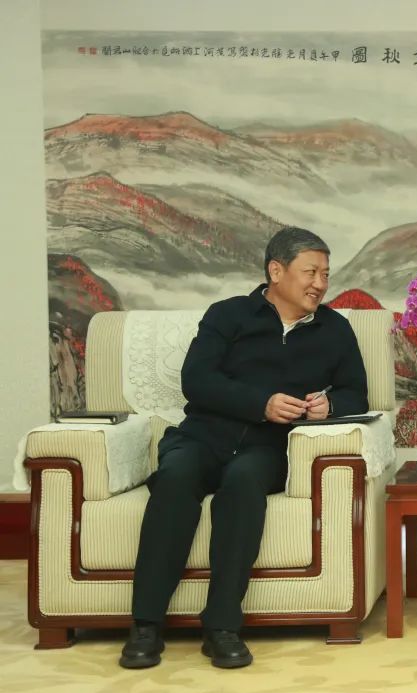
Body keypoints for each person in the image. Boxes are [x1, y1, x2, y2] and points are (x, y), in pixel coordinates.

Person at [119, 227, 369, 670]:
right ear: (277, 270)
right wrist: (261, 403)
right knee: (175, 479)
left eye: (326, 274)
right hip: (203, 435)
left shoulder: (335, 330)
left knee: (243, 483)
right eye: (311, 272)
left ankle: (221, 626)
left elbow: (356, 394)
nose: (320, 284)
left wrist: (329, 406)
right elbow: (197, 380)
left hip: (269, 448)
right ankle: (145, 625)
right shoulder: (228, 314)